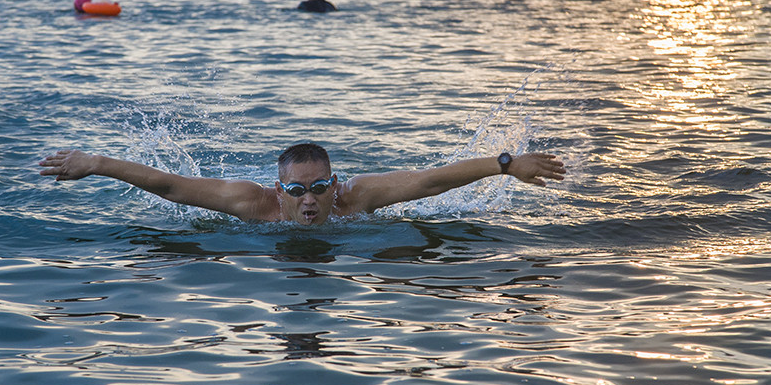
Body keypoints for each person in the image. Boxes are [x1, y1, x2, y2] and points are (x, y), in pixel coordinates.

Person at [38, 143, 565, 226]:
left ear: (335, 185)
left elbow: (428, 183)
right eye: (297, 191)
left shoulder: (356, 199)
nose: (309, 200)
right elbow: (172, 188)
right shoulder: (253, 204)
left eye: (318, 189)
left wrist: (505, 163)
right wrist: (98, 163)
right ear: (279, 189)